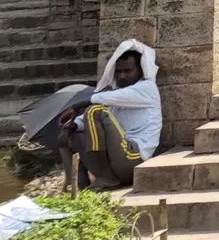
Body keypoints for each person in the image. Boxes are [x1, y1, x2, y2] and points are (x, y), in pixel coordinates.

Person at [58, 40, 161, 192]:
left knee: (94, 111)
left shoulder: (148, 88)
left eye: (128, 71)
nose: (122, 76)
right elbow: (104, 102)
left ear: (140, 71)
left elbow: (100, 102)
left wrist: (77, 106)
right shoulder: (114, 94)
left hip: (133, 158)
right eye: (118, 72)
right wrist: (71, 126)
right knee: (66, 135)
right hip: (114, 159)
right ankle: (78, 186)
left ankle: (107, 177)